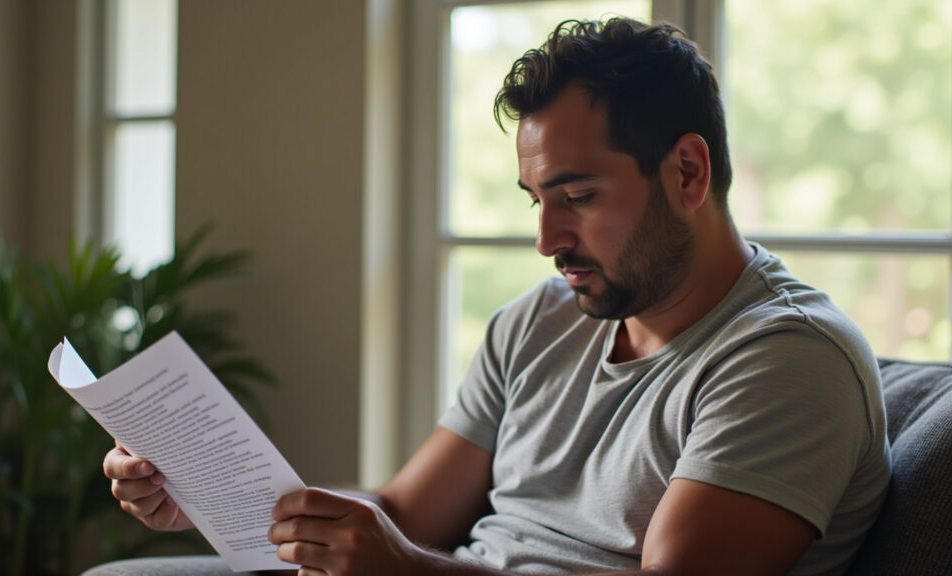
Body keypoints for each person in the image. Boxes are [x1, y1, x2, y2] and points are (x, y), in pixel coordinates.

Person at [104, 17, 890, 576]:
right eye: (535, 199)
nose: (547, 240)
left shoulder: (786, 360)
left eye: (577, 196)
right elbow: (405, 517)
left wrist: (409, 575)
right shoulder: (541, 321)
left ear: (687, 173)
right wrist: (214, 499)